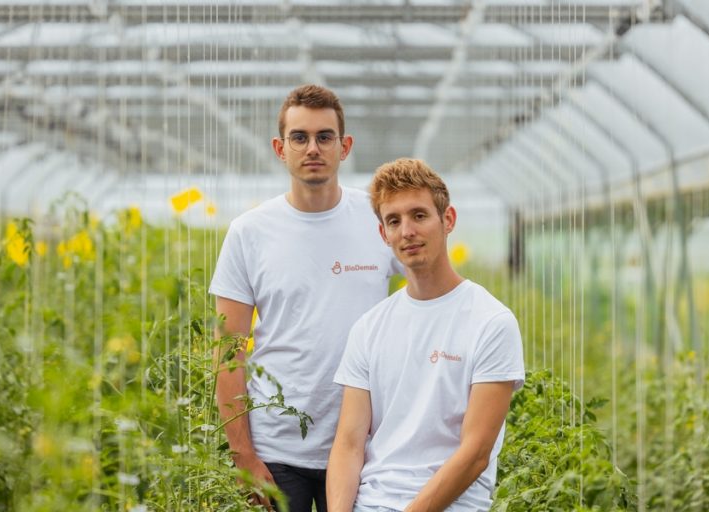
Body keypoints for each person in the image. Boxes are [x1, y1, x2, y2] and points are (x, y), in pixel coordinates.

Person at [210, 85, 401, 512]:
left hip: (363, 444)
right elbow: (227, 353)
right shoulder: (249, 232)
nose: (312, 148)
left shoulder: (377, 219)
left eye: (324, 136)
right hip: (277, 452)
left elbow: (431, 285)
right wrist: (243, 456)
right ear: (280, 148)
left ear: (344, 146)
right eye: (299, 137)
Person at [327, 158, 525, 512]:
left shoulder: (491, 322)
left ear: (447, 220)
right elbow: (349, 443)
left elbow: (476, 453)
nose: (407, 232)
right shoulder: (369, 327)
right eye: (394, 221)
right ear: (383, 234)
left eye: (419, 215)